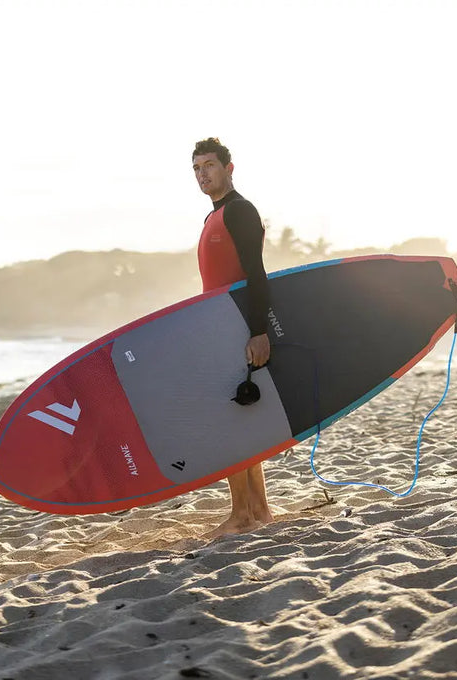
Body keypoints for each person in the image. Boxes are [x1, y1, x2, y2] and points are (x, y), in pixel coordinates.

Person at [192, 137, 274, 537]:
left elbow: (256, 273)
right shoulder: (214, 216)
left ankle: (241, 514)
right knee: (241, 414)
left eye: (209, 165)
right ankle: (258, 509)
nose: (202, 174)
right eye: (197, 168)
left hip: (237, 325)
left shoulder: (239, 210)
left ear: (229, 168)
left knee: (230, 418)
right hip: (222, 325)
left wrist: (258, 331)